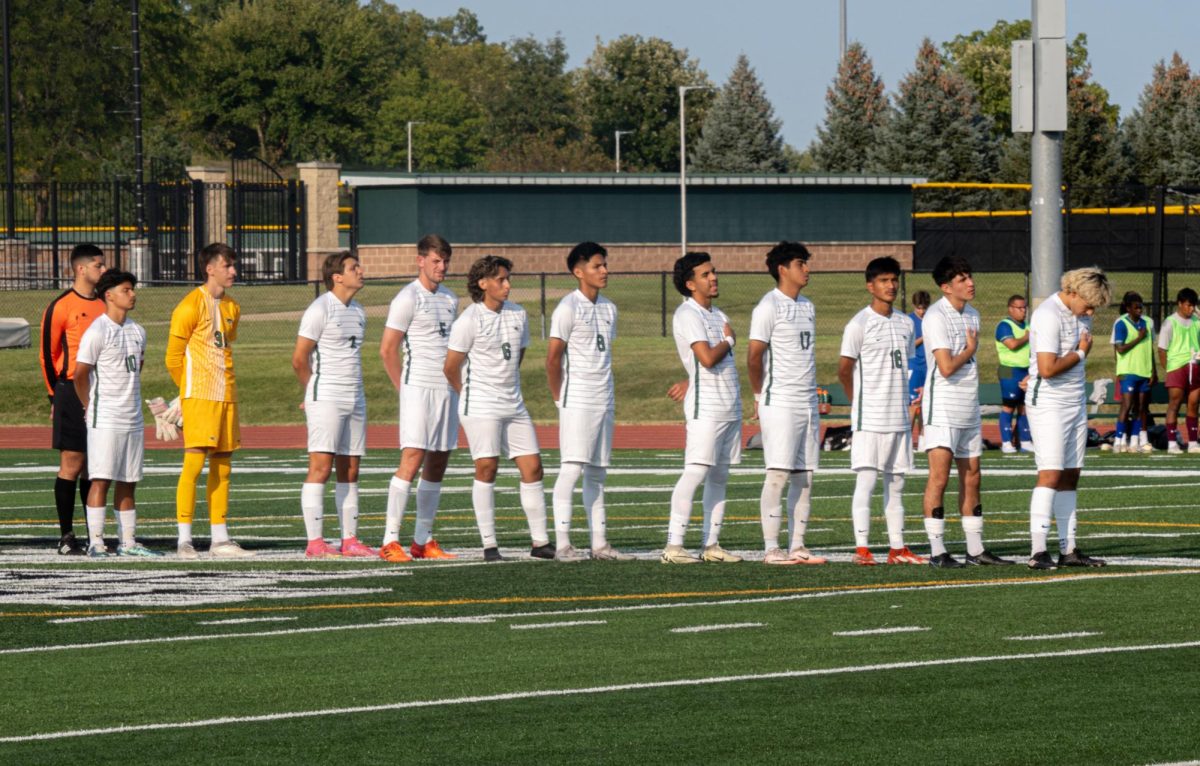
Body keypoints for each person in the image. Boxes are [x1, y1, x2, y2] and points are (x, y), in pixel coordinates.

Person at [444, 255, 553, 562]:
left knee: (533, 467)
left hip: (513, 403)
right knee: (487, 467)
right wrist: (469, 396)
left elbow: (516, 356)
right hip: (480, 404)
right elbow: (451, 367)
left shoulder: (518, 314)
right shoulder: (469, 320)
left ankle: (540, 542)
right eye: (501, 279)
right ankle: (490, 545)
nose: (507, 285)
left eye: (508, 279)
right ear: (483, 284)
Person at [919, 256, 1013, 568]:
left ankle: (975, 549)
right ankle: (937, 551)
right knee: (940, 477)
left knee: (972, 476)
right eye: (961, 279)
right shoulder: (935, 316)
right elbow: (945, 367)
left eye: (969, 276)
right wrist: (970, 351)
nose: (970, 283)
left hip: (967, 406)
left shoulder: (972, 313)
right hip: (942, 407)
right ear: (946, 287)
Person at [546, 242, 633, 562]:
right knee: (571, 469)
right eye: (597, 266)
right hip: (577, 399)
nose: (604, 271)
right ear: (578, 271)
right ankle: (564, 544)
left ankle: (600, 544)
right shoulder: (567, 308)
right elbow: (553, 360)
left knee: (597, 472)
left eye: (604, 265)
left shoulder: (610, 308)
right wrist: (560, 400)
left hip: (604, 398)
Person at [166, 242, 252, 559]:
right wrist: (185, 394)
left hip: (227, 395)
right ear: (210, 268)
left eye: (234, 265)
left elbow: (223, 350)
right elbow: (173, 358)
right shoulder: (190, 305)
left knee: (223, 466)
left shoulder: (232, 307)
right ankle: (184, 540)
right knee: (194, 463)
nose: (233, 271)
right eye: (227, 265)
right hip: (200, 396)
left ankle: (220, 539)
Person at [837, 257, 923, 566]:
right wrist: (856, 403)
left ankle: (897, 548)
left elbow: (907, 364)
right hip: (870, 417)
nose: (890, 285)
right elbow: (844, 370)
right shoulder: (858, 324)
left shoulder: (905, 323)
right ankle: (862, 548)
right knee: (867, 481)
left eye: (894, 279)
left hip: (899, 416)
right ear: (870, 286)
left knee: (897, 483)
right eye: (884, 280)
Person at [379, 234, 460, 562]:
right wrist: (404, 389)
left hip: (445, 391)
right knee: (412, 458)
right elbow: (387, 349)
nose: (442, 267)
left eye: (445, 261)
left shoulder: (451, 299)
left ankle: (422, 540)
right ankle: (390, 540)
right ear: (420, 260)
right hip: (418, 389)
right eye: (436, 261)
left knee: (438, 460)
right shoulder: (407, 298)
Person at [1026, 267, 1113, 570]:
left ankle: (1069, 548)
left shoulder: (1082, 313)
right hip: (1048, 401)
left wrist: (1079, 356)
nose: (1090, 311)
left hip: (1074, 400)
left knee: (1070, 475)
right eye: (1088, 304)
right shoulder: (1048, 314)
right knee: (1050, 473)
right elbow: (1047, 368)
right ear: (1073, 292)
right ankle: (1038, 551)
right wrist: (1080, 353)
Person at [747, 242, 826, 565]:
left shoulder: (807, 305)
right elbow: (754, 356)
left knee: (804, 476)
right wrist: (758, 395)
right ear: (782, 269)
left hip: (806, 401)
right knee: (777, 474)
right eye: (799, 263)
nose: (806, 268)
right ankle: (771, 549)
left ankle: (798, 546)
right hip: (779, 400)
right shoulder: (768, 306)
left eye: (806, 263)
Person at [661, 252, 743, 564]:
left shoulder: (718, 314)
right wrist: (730, 342)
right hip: (706, 408)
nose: (714, 278)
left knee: (720, 476)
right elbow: (707, 359)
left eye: (714, 272)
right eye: (706, 274)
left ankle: (711, 545)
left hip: (729, 406)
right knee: (695, 472)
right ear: (690, 283)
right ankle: (673, 546)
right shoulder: (688, 314)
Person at [292, 252, 374, 559]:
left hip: (355, 396)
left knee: (351, 469)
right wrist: (312, 391)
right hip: (326, 396)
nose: (361, 271)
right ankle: (315, 542)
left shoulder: (360, 310)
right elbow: (300, 359)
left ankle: (349, 539)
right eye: (354, 268)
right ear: (337, 277)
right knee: (321, 467)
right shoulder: (320, 308)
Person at [73, 270, 160, 557]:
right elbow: (80, 375)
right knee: (101, 478)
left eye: (133, 289)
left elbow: (137, 370)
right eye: (126, 289)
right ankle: (96, 542)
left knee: (129, 479)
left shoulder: (138, 331)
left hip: (132, 416)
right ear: (109, 295)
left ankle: (129, 542)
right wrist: (90, 406)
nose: (133, 294)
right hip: (105, 416)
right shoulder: (98, 331)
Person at [39, 244, 107, 555]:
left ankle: (96, 535)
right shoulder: (61, 306)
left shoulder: (106, 304)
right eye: (98, 265)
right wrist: (56, 397)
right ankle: (66, 536)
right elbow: (47, 354)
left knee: (96, 466)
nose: (102, 270)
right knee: (73, 462)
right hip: (70, 389)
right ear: (80, 269)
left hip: (102, 389)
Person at [1110, 291, 1156, 453]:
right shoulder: (1121, 324)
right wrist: (1138, 338)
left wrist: (1152, 371)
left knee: (1141, 407)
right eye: (1136, 307)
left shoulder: (1146, 324)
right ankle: (1118, 440)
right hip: (1128, 371)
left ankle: (1135, 441)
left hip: (1144, 371)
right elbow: (1120, 349)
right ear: (1128, 308)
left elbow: (1149, 349)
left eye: (1141, 306)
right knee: (1127, 405)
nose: (1139, 309)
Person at [1156, 288, 1199, 455]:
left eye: (1193, 306)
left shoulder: (1196, 320)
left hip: (1195, 366)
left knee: (1194, 404)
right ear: (1180, 304)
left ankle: (1193, 442)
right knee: (1174, 404)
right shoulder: (1170, 322)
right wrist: (1169, 369)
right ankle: (1172, 443)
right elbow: (1161, 350)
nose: (1190, 309)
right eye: (1188, 305)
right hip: (1177, 367)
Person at [995, 295, 1034, 453]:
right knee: (1008, 406)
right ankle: (1006, 443)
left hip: (1026, 370)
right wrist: (1026, 336)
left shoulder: (1027, 325)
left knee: (1024, 407)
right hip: (1009, 369)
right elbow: (1011, 345)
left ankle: (1025, 441)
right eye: (1020, 308)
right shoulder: (1004, 326)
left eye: (1025, 307)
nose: (1023, 311)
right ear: (1010, 308)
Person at [907, 290, 930, 451]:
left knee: (926, 404)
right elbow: (908, 345)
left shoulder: (932, 319)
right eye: (919, 308)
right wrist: (925, 337)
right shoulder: (909, 321)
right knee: (913, 405)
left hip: (928, 366)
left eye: (924, 308)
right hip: (914, 366)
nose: (922, 311)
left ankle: (923, 439)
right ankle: (907, 440)